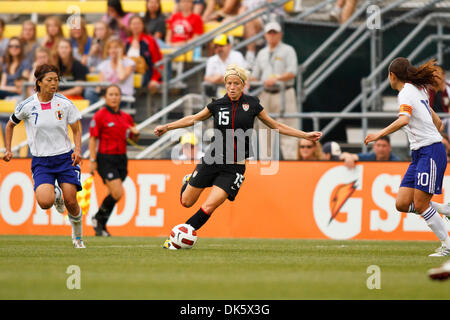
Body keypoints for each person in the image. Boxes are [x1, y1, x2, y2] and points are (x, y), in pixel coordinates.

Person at [153, 64, 322, 249]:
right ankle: (188, 181)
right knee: (186, 202)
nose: (232, 87)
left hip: (234, 168)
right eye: (229, 83)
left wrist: (304, 135)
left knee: (209, 207)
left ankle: (177, 238)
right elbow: (193, 118)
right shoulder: (216, 105)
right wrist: (167, 127)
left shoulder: (253, 104)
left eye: (236, 83)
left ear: (243, 84)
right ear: (225, 85)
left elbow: (276, 125)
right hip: (212, 160)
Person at [364, 57, 450, 257]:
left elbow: (404, 119)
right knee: (402, 203)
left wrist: (379, 134)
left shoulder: (405, 94)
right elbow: (435, 118)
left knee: (420, 204)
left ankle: (447, 245)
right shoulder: (416, 89)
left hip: (429, 151)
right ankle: (445, 209)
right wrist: (434, 129)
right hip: (420, 153)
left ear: (392, 76)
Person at [2, 63, 85, 248]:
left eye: (56, 80)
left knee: (71, 201)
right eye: (49, 80)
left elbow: (76, 129)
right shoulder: (27, 105)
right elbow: (9, 125)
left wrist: (78, 150)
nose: (54, 83)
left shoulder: (64, 103)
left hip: (65, 158)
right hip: (42, 161)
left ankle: (78, 237)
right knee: (45, 202)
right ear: (39, 82)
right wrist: (8, 149)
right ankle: (56, 195)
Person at [89, 85, 140, 236]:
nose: (114, 97)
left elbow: (132, 138)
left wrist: (136, 134)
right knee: (117, 193)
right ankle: (98, 218)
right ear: (105, 97)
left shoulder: (126, 117)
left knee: (114, 193)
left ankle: (100, 224)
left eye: (117, 94)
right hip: (106, 159)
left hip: (122, 159)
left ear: (120, 97)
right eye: (111, 94)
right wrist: (92, 160)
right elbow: (93, 139)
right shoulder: (100, 115)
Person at [250, 21, 299, 161]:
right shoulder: (262, 53)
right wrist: (246, 79)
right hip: (266, 93)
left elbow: (292, 72)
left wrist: (276, 78)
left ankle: (292, 162)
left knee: (288, 129)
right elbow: (255, 75)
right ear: (265, 35)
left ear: (280, 35)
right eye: (269, 33)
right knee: (264, 130)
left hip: (284, 92)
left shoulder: (288, 50)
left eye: (274, 33)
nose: (272, 36)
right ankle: (267, 162)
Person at [85, 37, 135, 105]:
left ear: (121, 49)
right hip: (108, 95)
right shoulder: (104, 64)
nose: (113, 50)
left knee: (112, 97)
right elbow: (100, 86)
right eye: (110, 48)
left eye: (116, 47)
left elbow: (121, 77)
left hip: (123, 95)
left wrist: (119, 60)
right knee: (89, 92)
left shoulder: (129, 63)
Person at [126, 15, 163, 91]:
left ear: (143, 25)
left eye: (138, 23)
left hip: (146, 73)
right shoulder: (127, 42)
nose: (135, 26)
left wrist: (154, 79)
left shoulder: (149, 40)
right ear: (129, 26)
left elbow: (157, 61)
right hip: (129, 73)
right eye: (133, 24)